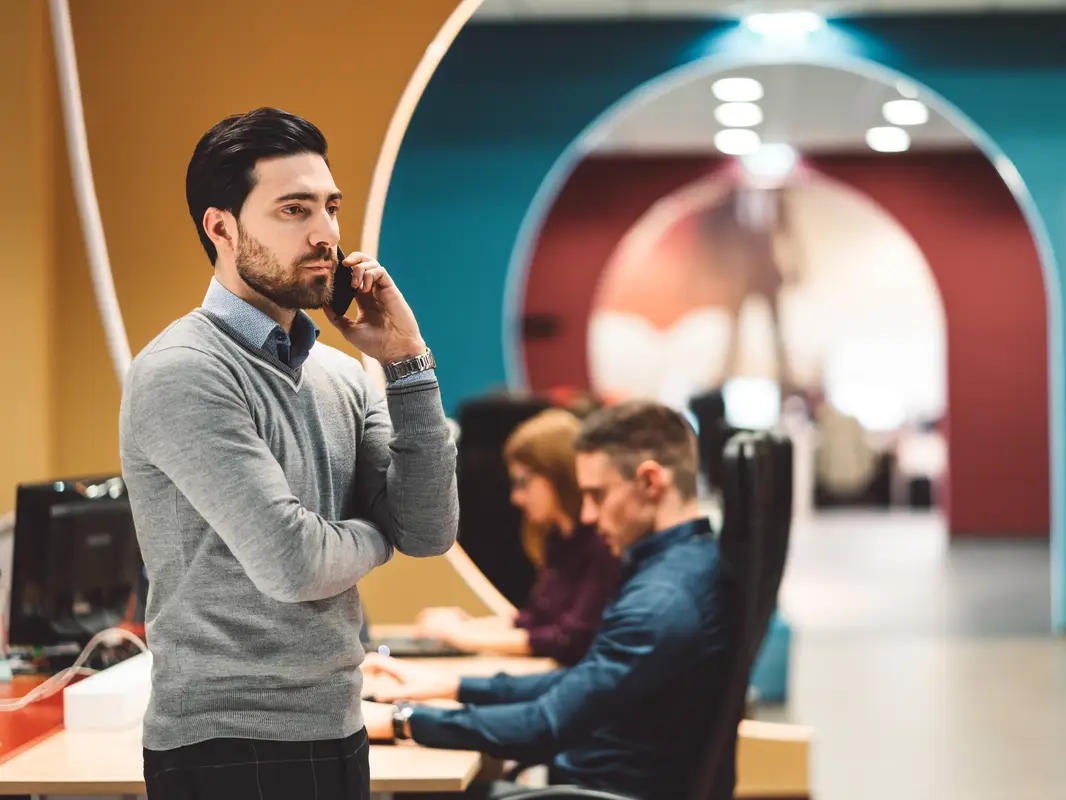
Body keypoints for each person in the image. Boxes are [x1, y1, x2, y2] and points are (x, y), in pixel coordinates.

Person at [118, 107, 459, 800]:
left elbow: (427, 531)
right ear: (222, 227)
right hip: (225, 745)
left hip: (336, 727)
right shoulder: (184, 371)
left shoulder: (338, 373)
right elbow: (294, 563)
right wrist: (374, 534)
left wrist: (408, 366)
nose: (326, 234)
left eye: (331, 208)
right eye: (294, 209)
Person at [360, 400, 734, 799]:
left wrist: (401, 720)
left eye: (597, 495)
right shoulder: (685, 565)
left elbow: (546, 724)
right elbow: (581, 682)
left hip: (596, 789)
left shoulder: (661, 601)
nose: (587, 515)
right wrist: (451, 685)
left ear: (650, 482)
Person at [416, 408, 623, 665]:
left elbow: (569, 640)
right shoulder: (558, 540)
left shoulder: (603, 544)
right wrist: (468, 625)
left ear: (556, 473)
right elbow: (534, 620)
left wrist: (462, 636)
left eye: (524, 482)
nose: (517, 498)